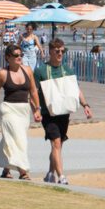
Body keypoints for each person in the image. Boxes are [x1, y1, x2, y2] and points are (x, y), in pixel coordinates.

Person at [34, 38, 93, 185]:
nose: (60, 53)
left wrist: (85, 105)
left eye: (62, 51)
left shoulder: (67, 70)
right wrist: (36, 109)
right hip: (48, 114)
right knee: (56, 143)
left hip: (64, 112)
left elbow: (76, 89)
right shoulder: (41, 71)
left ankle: (50, 173)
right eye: (57, 51)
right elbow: (33, 93)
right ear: (50, 52)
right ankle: (61, 176)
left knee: (58, 146)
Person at [0, 44, 41, 180]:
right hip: (8, 109)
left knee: (10, 139)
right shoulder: (2, 73)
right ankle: (23, 171)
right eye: (16, 55)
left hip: (23, 110)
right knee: (19, 139)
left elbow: (33, 91)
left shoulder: (28, 70)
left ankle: (6, 168)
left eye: (21, 55)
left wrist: (37, 109)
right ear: (8, 57)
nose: (19, 57)